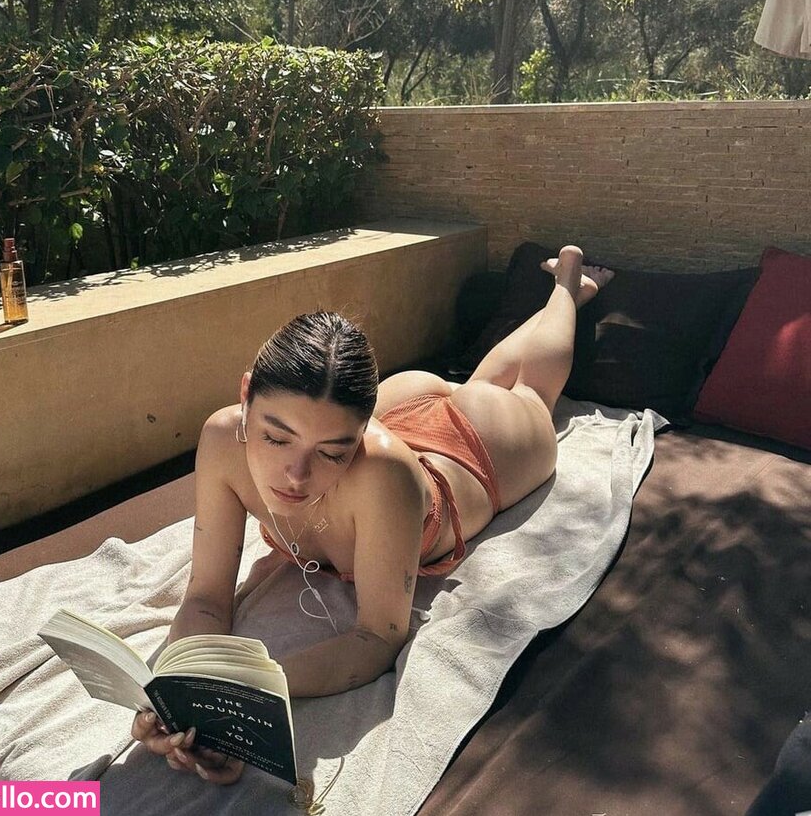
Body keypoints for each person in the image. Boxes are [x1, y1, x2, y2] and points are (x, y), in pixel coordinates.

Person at [131, 244, 614, 784]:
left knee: (527, 391)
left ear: (360, 436)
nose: (295, 476)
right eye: (276, 438)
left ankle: (567, 285)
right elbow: (204, 598)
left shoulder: (384, 474)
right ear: (246, 395)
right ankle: (556, 297)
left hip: (471, 451)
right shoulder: (224, 438)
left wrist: (248, 697)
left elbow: (378, 637)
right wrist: (176, 695)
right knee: (479, 380)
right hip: (392, 407)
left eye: (330, 454)